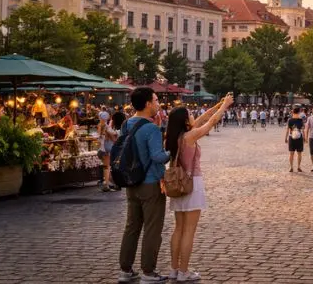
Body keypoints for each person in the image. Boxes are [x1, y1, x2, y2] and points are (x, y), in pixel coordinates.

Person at [166, 93, 234, 282]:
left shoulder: (175, 136)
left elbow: (204, 117)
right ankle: (184, 271)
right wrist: (225, 106)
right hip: (192, 184)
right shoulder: (190, 136)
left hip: (178, 185)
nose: (192, 116)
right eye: (189, 114)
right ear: (184, 120)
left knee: (178, 229)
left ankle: (174, 269)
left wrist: (218, 103)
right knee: (189, 230)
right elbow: (211, 122)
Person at [118, 87, 172, 284]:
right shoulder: (151, 128)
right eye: (156, 100)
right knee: (152, 228)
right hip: (150, 184)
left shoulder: (126, 124)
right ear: (148, 103)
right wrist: (172, 152)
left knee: (131, 226)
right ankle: (148, 272)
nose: (158, 103)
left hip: (131, 182)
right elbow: (158, 156)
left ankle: (125, 269)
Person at [98, 110, 120, 192]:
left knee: (106, 166)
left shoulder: (100, 125)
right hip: (107, 148)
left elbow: (99, 137)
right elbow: (113, 135)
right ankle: (106, 184)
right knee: (107, 167)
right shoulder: (106, 127)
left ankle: (112, 183)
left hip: (101, 148)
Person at [285, 105, 306, 172]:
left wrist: (285, 138)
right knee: (299, 153)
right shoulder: (301, 120)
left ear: (293, 112)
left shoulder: (290, 120)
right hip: (299, 137)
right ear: (299, 112)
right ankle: (299, 167)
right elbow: (303, 130)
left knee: (291, 153)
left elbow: (287, 130)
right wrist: (304, 138)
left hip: (291, 137)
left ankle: (291, 167)